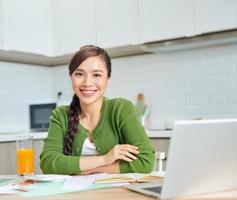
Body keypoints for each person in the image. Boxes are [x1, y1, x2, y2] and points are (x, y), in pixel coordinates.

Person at [40, 45, 155, 175]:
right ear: (71, 77)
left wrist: (86, 170)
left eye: (96, 75)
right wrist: (104, 159)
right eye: (79, 74)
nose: (87, 82)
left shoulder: (121, 108)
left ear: (107, 80)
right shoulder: (60, 115)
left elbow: (145, 162)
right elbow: (48, 163)